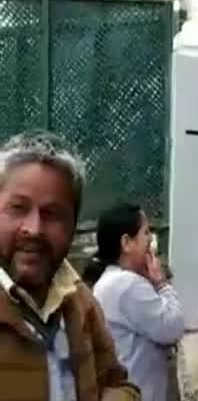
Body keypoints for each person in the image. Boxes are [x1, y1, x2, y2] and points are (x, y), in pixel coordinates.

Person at [0, 131, 139, 400]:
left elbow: (116, 381)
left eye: (52, 214)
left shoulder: (79, 301)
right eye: (18, 208)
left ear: (73, 225)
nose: (34, 229)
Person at [89, 203, 186, 401]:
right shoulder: (127, 285)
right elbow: (173, 327)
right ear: (126, 243)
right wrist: (161, 283)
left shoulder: (111, 281)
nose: (151, 240)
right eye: (145, 233)